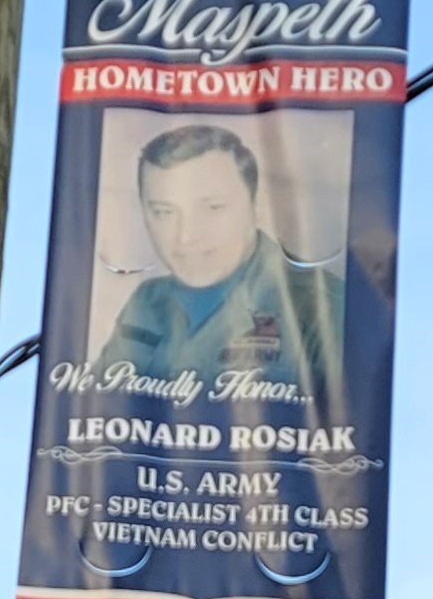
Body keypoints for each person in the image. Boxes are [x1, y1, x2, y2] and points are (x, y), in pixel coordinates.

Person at [96, 124, 343, 397]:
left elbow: (352, 428)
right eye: (164, 212)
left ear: (256, 205)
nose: (186, 237)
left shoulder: (321, 306)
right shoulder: (145, 302)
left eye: (212, 208)